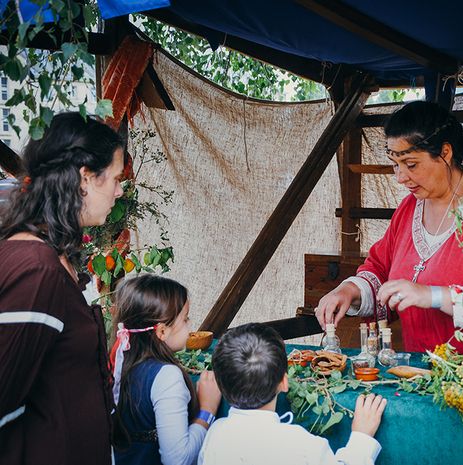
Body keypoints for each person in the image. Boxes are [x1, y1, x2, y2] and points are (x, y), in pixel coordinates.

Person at [315, 101, 463, 353]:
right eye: (395, 164)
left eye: (411, 164)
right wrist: (348, 290)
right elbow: (381, 269)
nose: (400, 177)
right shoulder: (409, 209)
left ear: (445, 153)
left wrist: (433, 295)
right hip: (423, 373)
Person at [0, 113, 124, 465]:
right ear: (85, 178)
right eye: (115, 178)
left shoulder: (57, 259)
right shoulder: (37, 270)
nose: (119, 190)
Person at [199, 323, 387, 465]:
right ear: (284, 381)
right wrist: (361, 438)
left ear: (220, 386)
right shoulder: (303, 446)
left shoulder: (214, 435)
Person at [112, 274, 222, 465]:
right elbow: (178, 459)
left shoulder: (121, 361)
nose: (190, 327)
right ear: (162, 331)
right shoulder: (167, 376)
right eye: (185, 320)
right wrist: (207, 410)